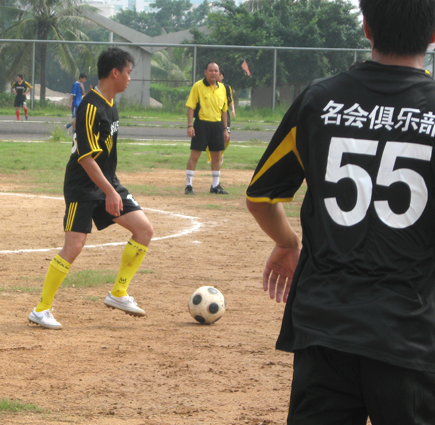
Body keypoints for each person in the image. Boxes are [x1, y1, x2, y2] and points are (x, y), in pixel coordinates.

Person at [246, 0, 435, 423]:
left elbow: (260, 197)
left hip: (324, 327)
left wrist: (287, 242)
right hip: (409, 334)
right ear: (432, 35)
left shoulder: (320, 99)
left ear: (366, 27)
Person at [28, 48, 154, 330]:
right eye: (129, 72)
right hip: (83, 186)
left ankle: (118, 292)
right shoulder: (90, 106)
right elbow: (85, 158)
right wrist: (109, 192)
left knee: (144, 230)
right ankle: (41, 309)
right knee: (73, 246)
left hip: (107, 181)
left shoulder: (110, 104)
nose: (130, 78)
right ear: (115, 73)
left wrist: (110, 188)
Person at [184, 61, 230, 195]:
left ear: (219, 73)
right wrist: (190, 125)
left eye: (216, 71)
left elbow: (224, 111)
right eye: (210, 70)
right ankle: (188, 185)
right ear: (205, 72)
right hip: (201, 125)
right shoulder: (198, 86)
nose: (213, 73)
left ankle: (215, 186)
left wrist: (225, 129)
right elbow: (191, 107)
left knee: (216, 156)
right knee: (195, 155)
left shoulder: (222, 88)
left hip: (217, 126)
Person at [206, 69, 235, 164]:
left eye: (220, 74)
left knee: (227, 138)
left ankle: (220, 154)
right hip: (212, 114)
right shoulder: (209, 86)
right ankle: (210, 158)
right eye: (217, 74)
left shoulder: (226, 87)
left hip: (224, 114)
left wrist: (233, 109)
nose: (218, 76)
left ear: (223, 76)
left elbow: (230, 100)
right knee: (209, 137)